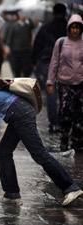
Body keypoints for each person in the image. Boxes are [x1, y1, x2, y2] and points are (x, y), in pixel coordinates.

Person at [47, 14, 83, 153]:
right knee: (65, 111)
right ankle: (64, 137)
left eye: (77, 28)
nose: (75, 30)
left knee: (80, 113)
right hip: (65, 84)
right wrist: (50, 81)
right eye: (73, 27)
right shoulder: (61, 42)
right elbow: (54, 63)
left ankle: (78, 140)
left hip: (81, 84)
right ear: (69, 28)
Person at [31, 3, 67, 133]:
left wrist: (34, 61)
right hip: (66, 63)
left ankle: (54, 123)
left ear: (53, 13)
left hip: (48, 62)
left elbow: (37, 45)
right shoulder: (71, 28)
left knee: (51, 92)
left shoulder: (46, 28)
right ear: (65, 13)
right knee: (66, 92)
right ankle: (66, 121)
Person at [5, 11, 35, 78]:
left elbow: (33, 31)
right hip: (16, 50)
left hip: (26, 50)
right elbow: (10, 37)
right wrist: (7, 47)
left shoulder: (29, 25)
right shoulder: (14, 26)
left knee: (26, 68)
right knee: (17, 68)